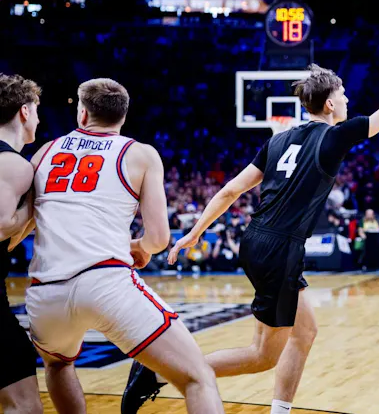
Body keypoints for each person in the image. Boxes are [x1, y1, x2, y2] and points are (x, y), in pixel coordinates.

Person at [127, 35, 379, 414]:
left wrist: (194, 233)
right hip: (279, 248)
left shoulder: (277, 141)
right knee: (262, 356)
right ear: (328, 104)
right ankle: (159, 372)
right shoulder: (334, 137)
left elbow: (229, 191)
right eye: (342, 95)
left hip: (258, 241)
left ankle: (280, 410)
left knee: (304, 332)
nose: (346, 101)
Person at [26, 79, 223, 413]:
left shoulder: (45, 152)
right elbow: (159, 239)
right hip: (104, 281)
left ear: (83, 112)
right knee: (197, 377)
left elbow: (29, 219)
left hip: (46, 291)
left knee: (58, 365)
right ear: (122, 117)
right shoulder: (140, 154)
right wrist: (138, 246)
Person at [0, 74, 44, 414]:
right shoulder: (14, 164)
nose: (40, 120)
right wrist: (37, 203)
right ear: (25, 112)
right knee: (25, 405)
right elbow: (1, 227)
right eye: (38, 110)